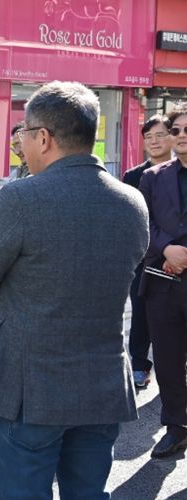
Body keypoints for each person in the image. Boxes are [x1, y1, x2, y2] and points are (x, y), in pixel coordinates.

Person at [0, 82, 148, 499]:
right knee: (88, 492)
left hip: (29, 385)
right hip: (102, 382)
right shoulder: (132, 202)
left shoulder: (21, 198)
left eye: (24, 134)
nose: (21, 145)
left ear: (43, 137)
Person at [138, 103, 187, 459]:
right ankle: (176, 427)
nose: (181, 135)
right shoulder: (153, 177)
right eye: (176, 130)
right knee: (168, 360)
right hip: (163, 282)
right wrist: (167, 248)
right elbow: (142, 223)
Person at [122, 114, 173, 389]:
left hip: (179, 256)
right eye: (148, 137)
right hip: (144, 258)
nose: (154, 141)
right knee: (141, 313)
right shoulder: (133, 176)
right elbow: (131, 220)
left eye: (160, 135)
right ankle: (140, 365)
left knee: (176, 316)